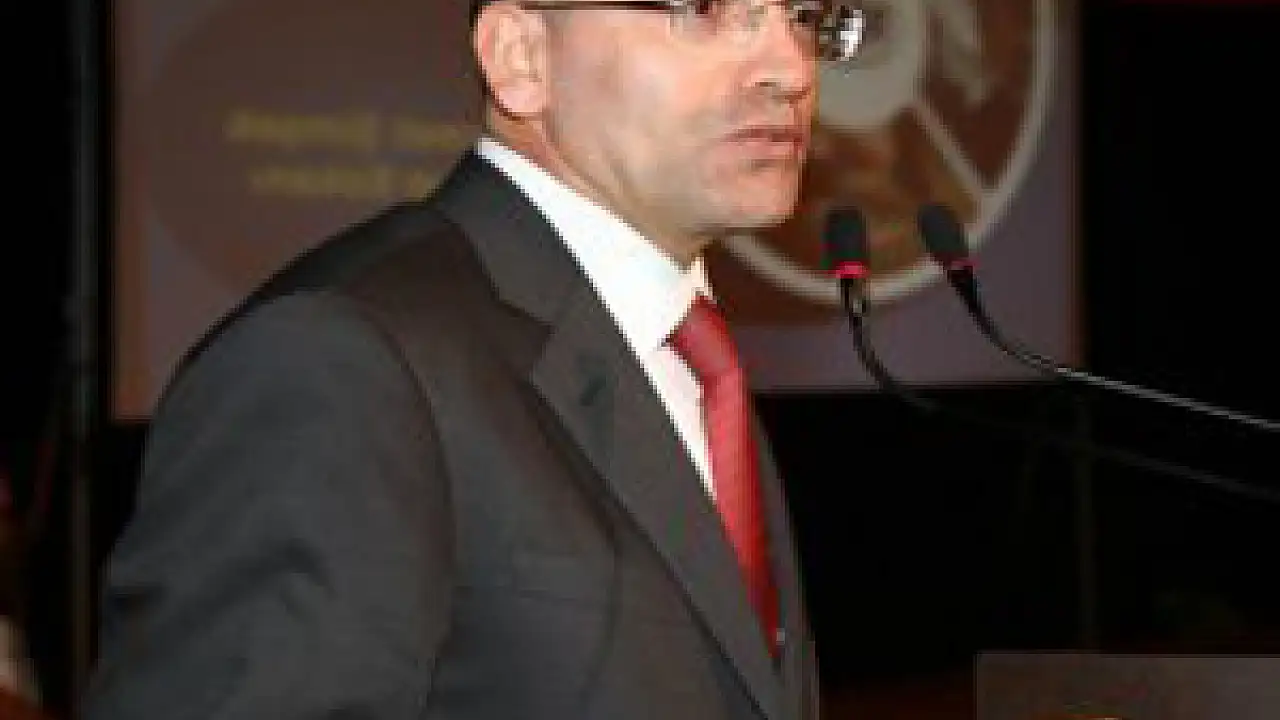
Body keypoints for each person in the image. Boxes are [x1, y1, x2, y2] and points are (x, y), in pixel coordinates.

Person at [84, 1, 850, 717]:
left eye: (805, 15)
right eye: (704, 9)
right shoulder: (337, 355)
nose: (790, 67)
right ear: (520, 57)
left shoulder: (692, 357)